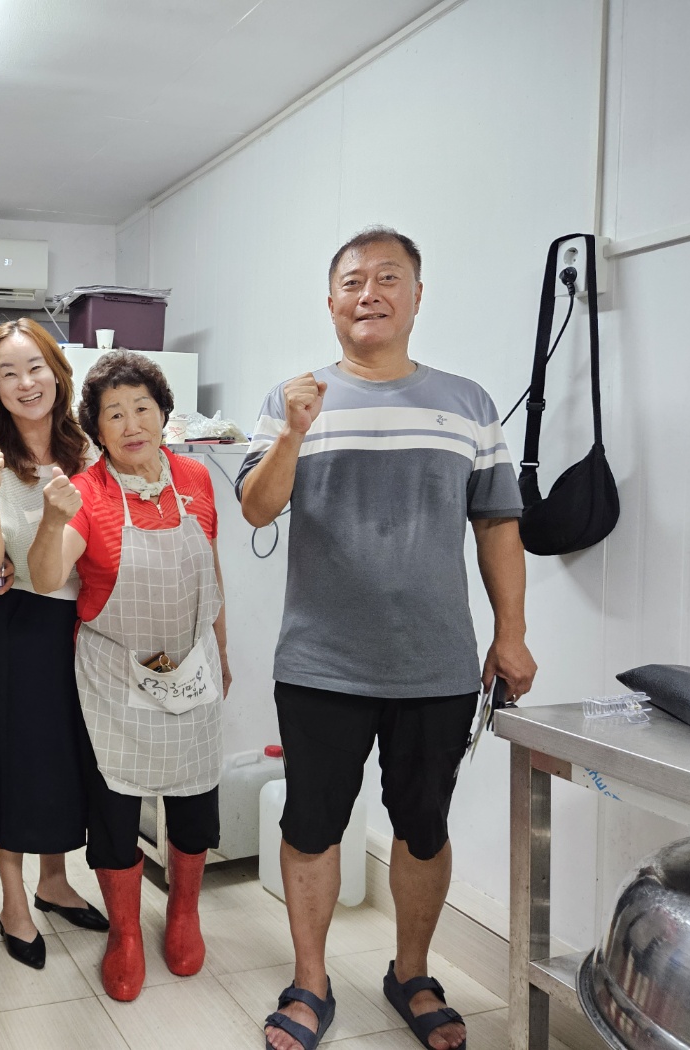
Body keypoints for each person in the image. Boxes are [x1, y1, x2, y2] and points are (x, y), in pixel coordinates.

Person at [236, 227, 537, 1050]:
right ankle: (310, 981)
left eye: (388, 278)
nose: (369, 292)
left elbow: (498, 524)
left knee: (424, 826)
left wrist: (511, 633)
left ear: (415, 296)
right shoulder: (290, 397)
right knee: (311, 825)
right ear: (330, 301)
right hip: (320, 661)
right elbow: (258, 507)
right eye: (351, 281)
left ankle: (411, 971)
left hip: (435, 663)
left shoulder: (467, 402)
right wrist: (295, 431)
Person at [28, 350, 232, 1003]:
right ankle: (125, 934)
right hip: (115, 676)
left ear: (163, 413)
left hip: (191, 669)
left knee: (196, 803)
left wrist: (222, 650)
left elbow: (213, 574)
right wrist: (53, 518)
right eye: (114, 413)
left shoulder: (196, 479)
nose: (131, 422)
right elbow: (44, 577)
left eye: (142, 407)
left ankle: (183, 914)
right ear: (96, 428)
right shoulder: (86, 495)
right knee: (114, 812)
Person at [0, 318, 107, 970]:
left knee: (74, 762)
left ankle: (55, 879)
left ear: (57, 372)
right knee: (20, 767)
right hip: (23, 627)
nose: (26, 383)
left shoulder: (91, 451)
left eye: (35, 367)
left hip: (89, 628)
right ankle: (14, 899)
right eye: (9, 373)